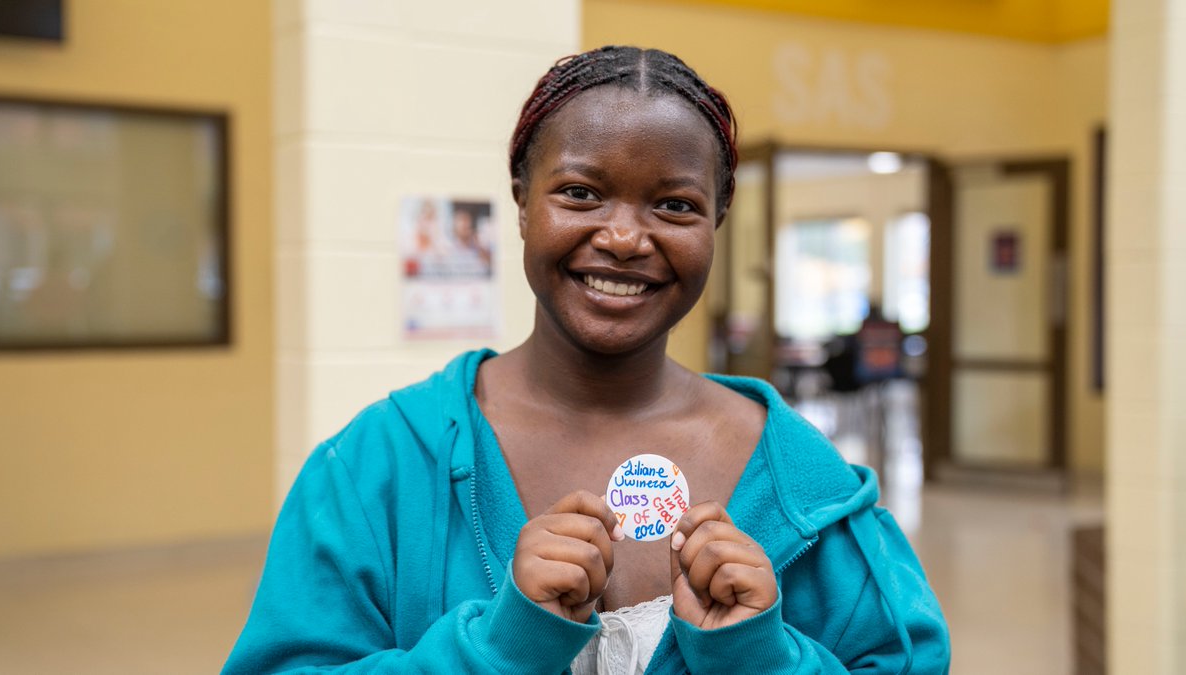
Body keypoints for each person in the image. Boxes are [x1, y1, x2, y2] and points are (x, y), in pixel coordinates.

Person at [224, 46, 949, 674]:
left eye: (675, 205)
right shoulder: (376, 468)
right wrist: (498, 649)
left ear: (717, 223)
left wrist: (763, 656)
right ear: (521, 202)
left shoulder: (805, 484)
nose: (625, 238)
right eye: (580, 193)